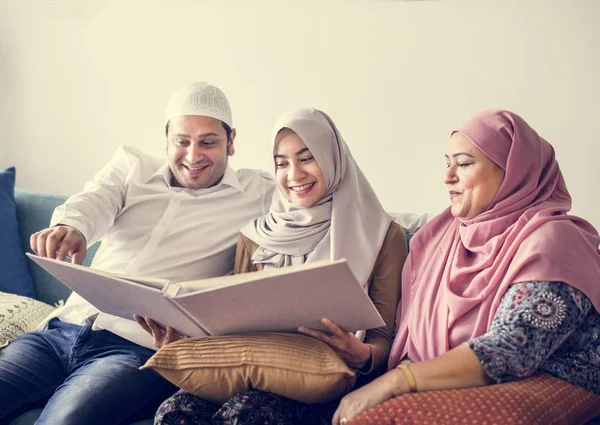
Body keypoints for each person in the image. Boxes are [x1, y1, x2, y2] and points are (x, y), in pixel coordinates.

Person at [0, 82, 275, 425]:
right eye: (182, 141)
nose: (193, 155)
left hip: (136, 350)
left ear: (231, 141)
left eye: (208, 142)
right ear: (166, 138)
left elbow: (320, 203)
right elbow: (93, 201)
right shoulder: (132, 167)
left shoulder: (260, 192)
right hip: (61, 331)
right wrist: (72, 227)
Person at [332, 109, 600, 424]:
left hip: (548, 378)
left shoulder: (554, 240)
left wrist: (397, 380)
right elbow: (401, 330)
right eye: (447, 163)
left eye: (463, 163)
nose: (448, 176)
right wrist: (367, 357)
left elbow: (513, 348)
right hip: (446, 378)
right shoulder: (443, 235)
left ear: (514, 170)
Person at [150, 108, 408, 425]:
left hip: (324, 382)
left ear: (333, 159)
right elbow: (234, 328)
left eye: (307, 158)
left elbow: (384, 336)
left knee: (245, 413)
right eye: (282, 163)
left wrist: (363, 354)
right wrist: (184, 342)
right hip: (253, 368)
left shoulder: (383, 235)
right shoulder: (255, 237)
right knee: (173, 412)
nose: (294, 174)